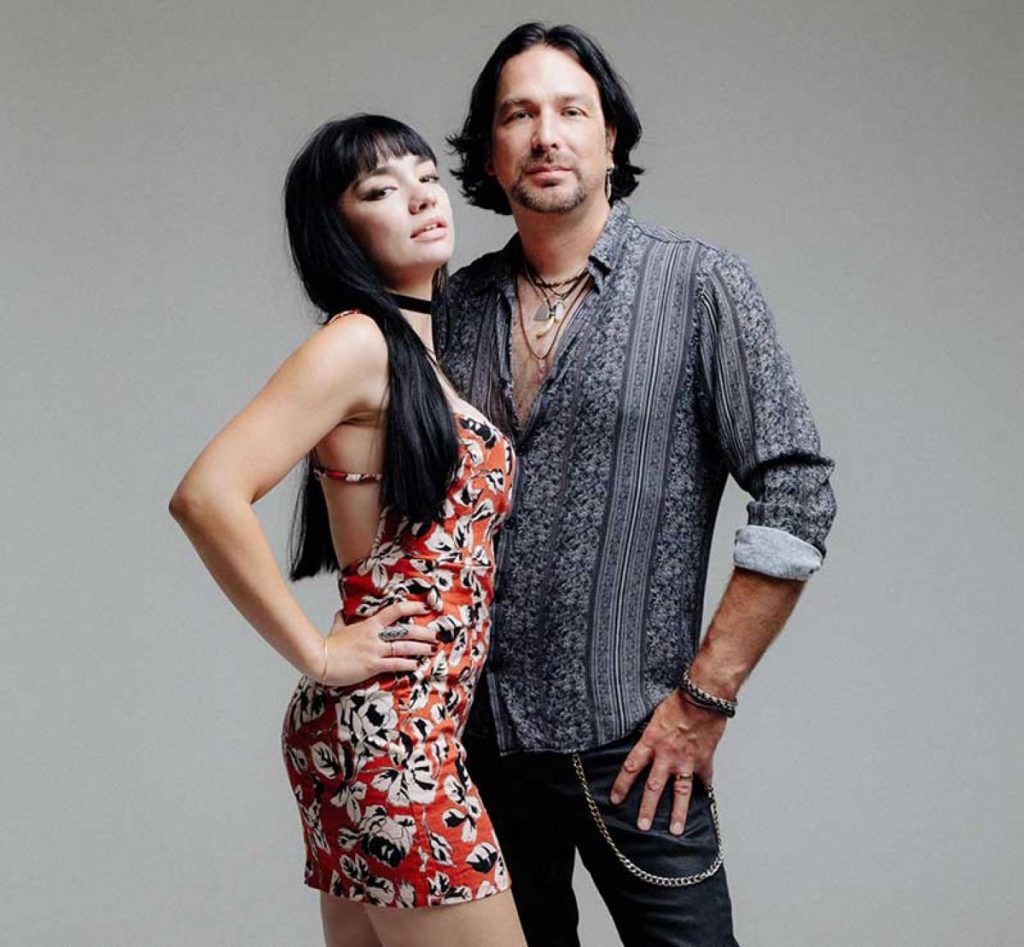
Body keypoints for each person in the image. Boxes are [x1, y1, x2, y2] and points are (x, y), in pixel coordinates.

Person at [436, 22, 838, 947]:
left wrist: (706, 699)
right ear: (489, 153)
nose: (546, 134)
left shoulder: (699, 286)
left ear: (611, 137)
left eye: (571, 111)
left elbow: (797, 491)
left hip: (637, 745)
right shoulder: (452, 309)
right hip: (475, 748)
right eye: (518, 115)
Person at [169, 114, 526, 947]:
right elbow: (207, 494)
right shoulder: (359, 341)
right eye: (379, 190)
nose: (420, 197)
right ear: (338, 230)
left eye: (426, 177)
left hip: (387, 732)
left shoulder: (416, 357)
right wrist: (320, 653)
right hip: (393, 735)